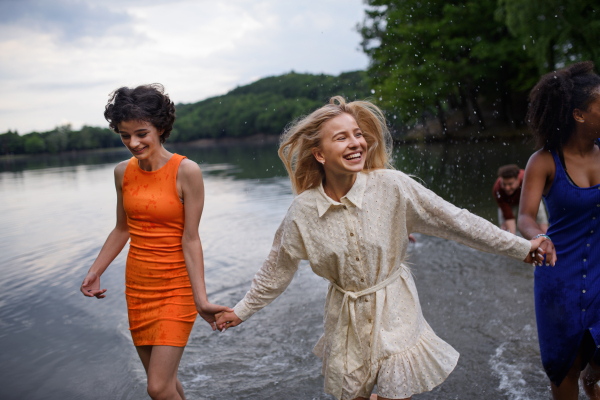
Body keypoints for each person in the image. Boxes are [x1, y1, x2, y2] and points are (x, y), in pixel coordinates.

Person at [215, 96, 546, 400]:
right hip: (345, 320)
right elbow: (276, 270)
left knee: (395, 392)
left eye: (357, 133)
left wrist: (520, 247)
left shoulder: (393, 187)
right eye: (341, 137)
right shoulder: (302, 213)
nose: (356, 143)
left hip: (396, 312)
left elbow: (456, 222)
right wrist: (240, 310)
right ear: (319, 154)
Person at [79, 84, 231, 400]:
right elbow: (122, 229)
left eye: (141, 133)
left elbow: (191, 239)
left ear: (161, 128)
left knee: (157, 387)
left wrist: (201, 299)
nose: (132, 143)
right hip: (138, 287)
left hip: (176, 288)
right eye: (124, 135)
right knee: (165, 384)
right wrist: (96, 270)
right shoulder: (122, 172)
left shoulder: (186, 171)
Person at [518, 61, 600, 400]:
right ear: (579, 115)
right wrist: (539, 237)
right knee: (565, 365)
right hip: (558, 276)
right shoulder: (544, 161)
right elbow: (525, 217)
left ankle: (592, 377)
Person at [493, 164, 548, 234]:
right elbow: (508, 217)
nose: (507, 188)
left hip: (529, 198)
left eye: (510, 184)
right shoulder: (497, 189)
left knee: (543, 229)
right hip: (508, 202)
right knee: (505, 231)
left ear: (518, 180)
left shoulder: (528, 180)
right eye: (504, 184)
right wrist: (511, 238)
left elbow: (528, 215)